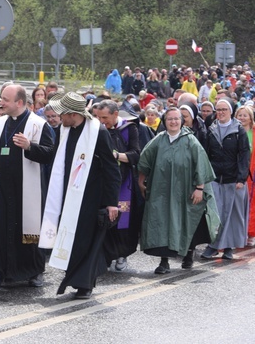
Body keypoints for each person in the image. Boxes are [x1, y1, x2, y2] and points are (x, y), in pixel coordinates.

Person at [0, 84, 54, 291]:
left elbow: (50, 155)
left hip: (27, 190)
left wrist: (29, 147)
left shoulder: (39, 125)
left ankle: (33, 272)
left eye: (5, 100)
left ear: (19, 102)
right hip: (0, 189)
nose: (1, 103)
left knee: (27, 232)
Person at [39, 92, 121, 300]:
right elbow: (53, 156)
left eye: (61, 115)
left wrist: (112, 203)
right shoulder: (65, 131)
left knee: (85, 241)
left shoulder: (98, 132)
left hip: (90, 197)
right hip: (67, 195)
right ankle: (76, 278)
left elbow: (112, 169)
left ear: (73, 114)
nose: (58, 119)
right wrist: (30, 148)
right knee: (72, 240)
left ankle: (84, 283)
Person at [138, 107, 220, 272]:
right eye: (170, 119)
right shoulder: (159, 140)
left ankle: (189, 254)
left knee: (185, 222)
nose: (173, 122)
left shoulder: (191, 141)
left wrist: (199, 188)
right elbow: (144, 161)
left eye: (177, 119)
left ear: (182, 121)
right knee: (162, 223)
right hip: (161, 192)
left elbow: (201, 164)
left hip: (186, 191)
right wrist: (141, 182)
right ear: (165, 121)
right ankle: (163, 262)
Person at [201, 99, 251, 260]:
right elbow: (206, 154)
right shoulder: (211, 129)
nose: (221, 112)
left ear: (230, 111)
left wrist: (241, 178)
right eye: (218, 109)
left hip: (233, 179)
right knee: (216, 214)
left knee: (231, 215)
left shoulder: (239, 131)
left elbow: (244, 155)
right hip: (215, 178)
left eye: (224, 109)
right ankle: (214, 245)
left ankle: (228, 247)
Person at [95, 100, 141, 272]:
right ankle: (104, 257)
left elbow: (136, 155)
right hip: (102, 182)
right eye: (98, 117)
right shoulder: (97, 129)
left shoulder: (129, 129)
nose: (101, 121)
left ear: (116, 114)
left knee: (122, 221)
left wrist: (116, 155)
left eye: (105, 117)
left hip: (124, 183)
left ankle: (122, 254)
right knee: (103, 219)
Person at [234, 106, 255, 246]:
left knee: (251, 204)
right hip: (236, 173)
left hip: (252, 174)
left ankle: (251, 233)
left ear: (250, 118)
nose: (242, 118)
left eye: (244, 115)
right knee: (237, 205)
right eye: (239, 115)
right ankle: (238, 234)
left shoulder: (253, 133)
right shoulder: (233, 132)